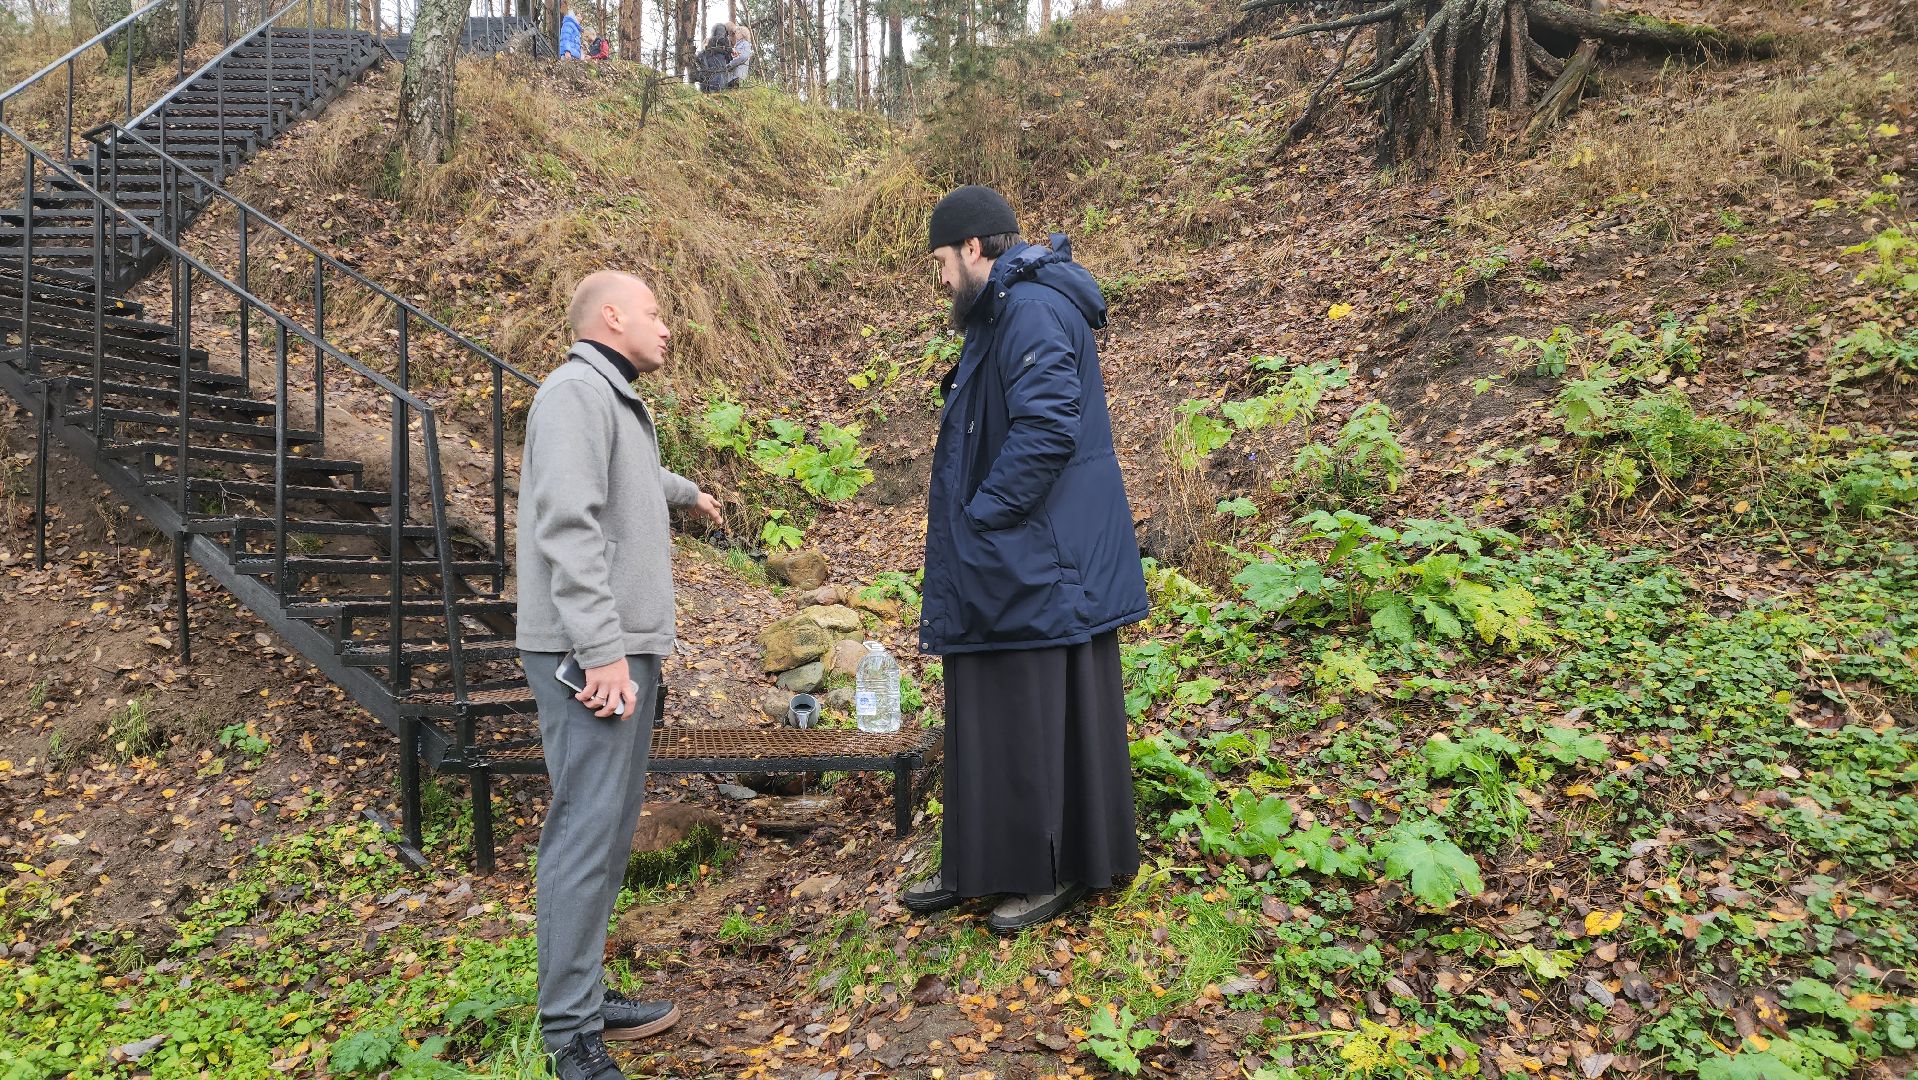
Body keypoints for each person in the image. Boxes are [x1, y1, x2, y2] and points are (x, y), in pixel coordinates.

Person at [904, 186, 1149, 933]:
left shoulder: (1032, 310)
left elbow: (1046, 431)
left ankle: (1053, 871)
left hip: (1041, 559)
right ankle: (981, 868)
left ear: (973, 249)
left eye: (942, 262)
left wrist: (982, 519)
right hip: (1017, 555)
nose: (941, 280)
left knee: (1035, 714)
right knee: (990, 707)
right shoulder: (1001, 310)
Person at [516, 271, 724, 1079]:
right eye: (656, 312)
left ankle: (586, 992)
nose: (667, 327)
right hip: (589, 653)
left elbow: (625, 484)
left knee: (607, 831)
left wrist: (687, 492)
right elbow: (567, 523)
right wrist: (602, 651)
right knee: (584, 832)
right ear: (611, 317)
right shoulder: (574, 393)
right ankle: (571, 1032)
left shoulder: (614, 401)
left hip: (618, 646)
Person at [693, 24, 733, 93]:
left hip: (708, 85)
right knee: (717, 77)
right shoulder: (712, 52)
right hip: (713, 85)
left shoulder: (707, 52)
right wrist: (730, 49)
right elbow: (720, 38)